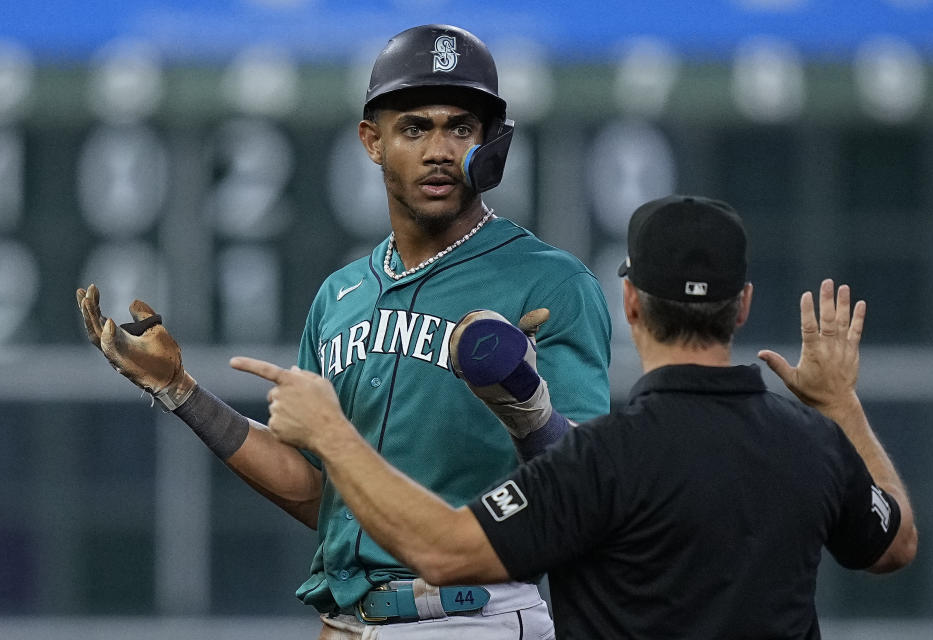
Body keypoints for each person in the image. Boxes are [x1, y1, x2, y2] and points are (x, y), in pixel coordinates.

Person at [76, 24, 611, 638]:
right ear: (372, 140)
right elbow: (320, 494)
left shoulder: (548, 284)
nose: (439, 149)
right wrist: (182, 392)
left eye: (460, 127)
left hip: (474, 616)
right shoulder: (340, 295)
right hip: (347, 622)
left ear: (490, 142)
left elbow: (586, 497)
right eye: (414, 127)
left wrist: (528, 404)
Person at [232, 195, 918, 639]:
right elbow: (894, 545)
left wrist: (331, 433)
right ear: (741, 305)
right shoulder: (814, 446)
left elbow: (442, 550)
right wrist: (839, 404)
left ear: (631, 304)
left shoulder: (599, 460)